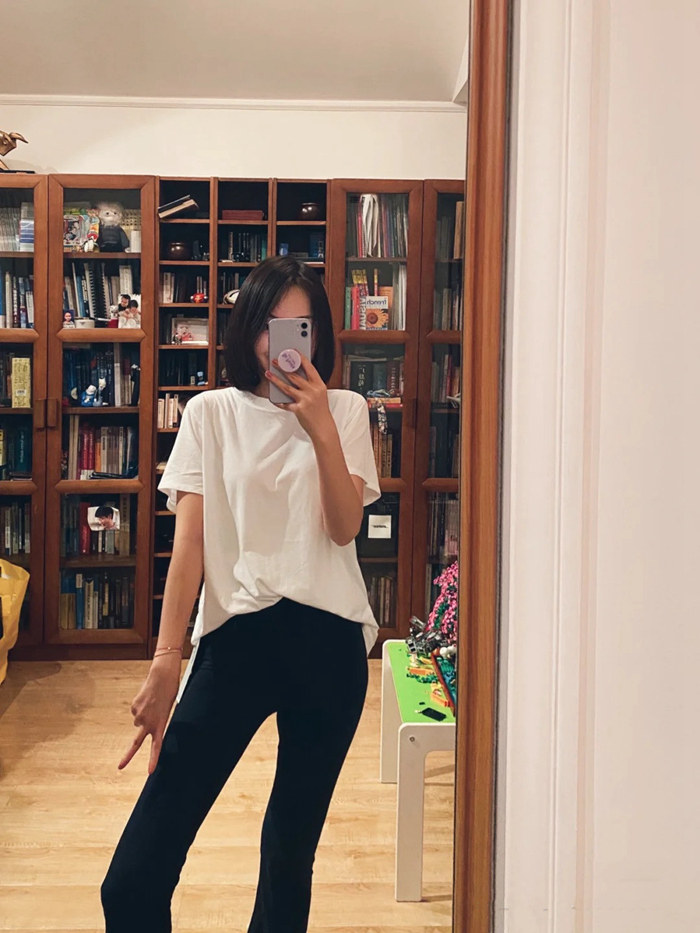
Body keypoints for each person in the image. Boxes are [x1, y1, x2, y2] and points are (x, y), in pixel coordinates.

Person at [101, 256, 381, 932]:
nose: (281, 343)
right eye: (269, 324)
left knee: (288, 857)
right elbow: (190, 546)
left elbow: (344, 527)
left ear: (317, 335)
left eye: (299, 326)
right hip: (236, 641)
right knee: (133, 878)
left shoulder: (346, 411)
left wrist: (318, 426)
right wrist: (166, 660)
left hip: (330, 645)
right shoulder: (210, 413)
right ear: (248, 327)